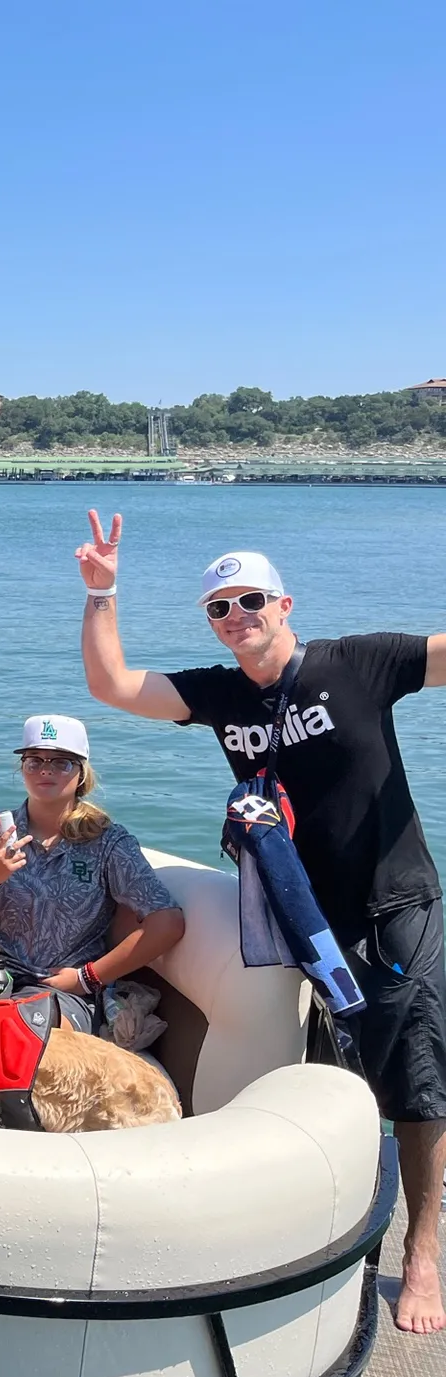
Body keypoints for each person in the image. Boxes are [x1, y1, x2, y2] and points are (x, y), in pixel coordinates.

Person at [77, 510, 446, 1334]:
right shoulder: (216, 693)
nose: (237, 617)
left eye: (251, 601)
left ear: (284, 604)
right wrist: (102, 590)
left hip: (393, 905)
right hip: (295, 918)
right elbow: (112, 685)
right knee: (329, 1075)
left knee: (418, 1083)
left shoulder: (360, 663)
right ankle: (336, 1218)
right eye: (220, 608)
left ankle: (423, 1254)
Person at [0, 714, 186, 1034]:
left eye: (61, 762)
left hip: (57, 988)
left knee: (23, 1038)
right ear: (21, 769)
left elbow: (167, 922)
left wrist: (87, 978)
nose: (45, 769)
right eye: (33, 760)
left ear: (81, 773)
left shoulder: (108, 843)